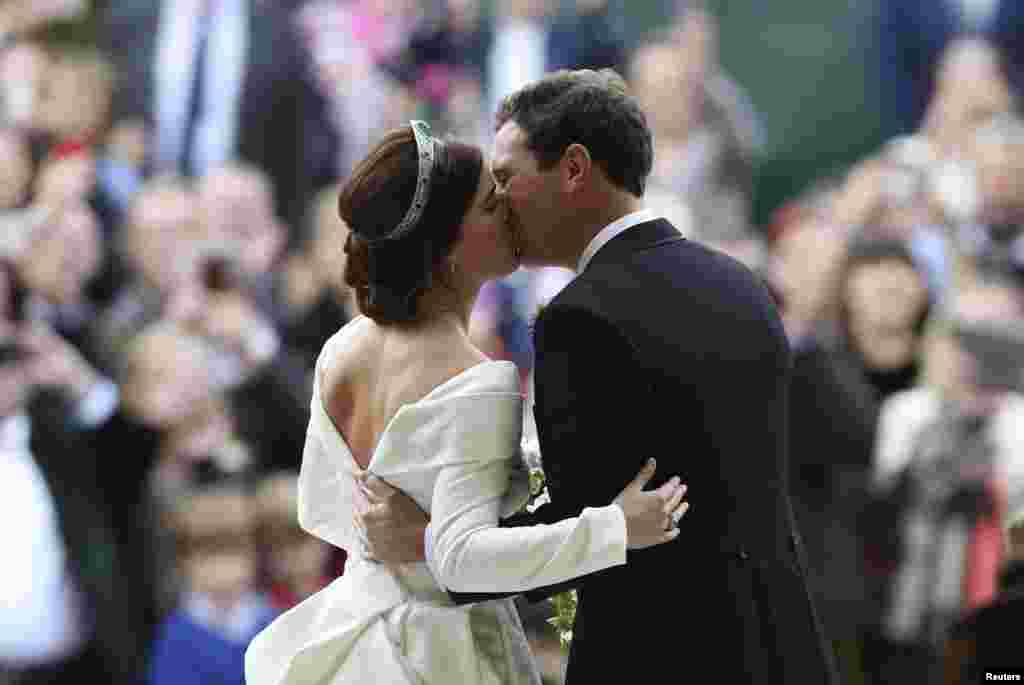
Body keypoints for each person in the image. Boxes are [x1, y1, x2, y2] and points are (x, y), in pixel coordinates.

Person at [356, 68, 839, 683]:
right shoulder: (743, 285)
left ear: (574, 169)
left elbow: (586, 526)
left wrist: (428, 543)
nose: (499, 201)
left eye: (506, 177)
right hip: (783, 650)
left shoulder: (580, 318)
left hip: (660, 657)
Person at [243, 121, 689, 685]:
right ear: (448, 247)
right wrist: (614, 529)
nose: (509, 210)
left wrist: (411, 539)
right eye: (489, 204)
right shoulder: (479, 382)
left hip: (354, 637)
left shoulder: (344, 348)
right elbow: (463, 559)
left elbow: (321, 506)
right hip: (441, 656)